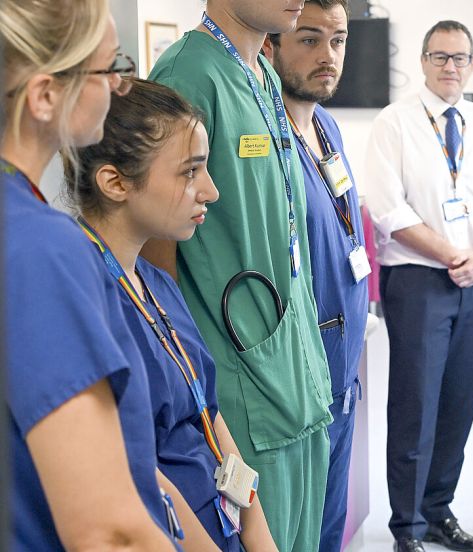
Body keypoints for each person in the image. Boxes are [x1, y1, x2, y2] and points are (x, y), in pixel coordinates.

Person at [147, 1, 333, 549]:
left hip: (296, 371)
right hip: (241, 383)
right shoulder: (189, 75)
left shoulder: (265, 74)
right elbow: (156, 253)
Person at [69, 78, 282, 552]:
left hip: (218, 522)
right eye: (190, 172)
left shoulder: (156, 282)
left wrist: (257, 533)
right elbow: (134, 470)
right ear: (115, 182)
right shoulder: (83, 304)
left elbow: (209, 413)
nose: (211, 191)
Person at [2, 1, 176, 549]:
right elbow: (107, 530)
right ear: (45, 96)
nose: (121, 85)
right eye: (111, 67)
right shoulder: (40, 247)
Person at [363, 19, 473, 552]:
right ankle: (406, 525)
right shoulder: (395, 122)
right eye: (440, 56)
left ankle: (437, 510)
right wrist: (455, 256)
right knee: (415, 403)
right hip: (418, 280)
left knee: (458, 402)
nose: (450, 66)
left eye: (460, 58)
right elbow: (388, 210)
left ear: (472, 64)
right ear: (423, 61)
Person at [263, 2, 369, 550]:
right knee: (297, 529)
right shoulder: (265, 138)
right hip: (301, 374)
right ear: (271, 46)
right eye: (309, 39)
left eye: (338, 40)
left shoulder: (327, 126)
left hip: (344, 364)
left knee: (332, 523)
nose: (328, 56)